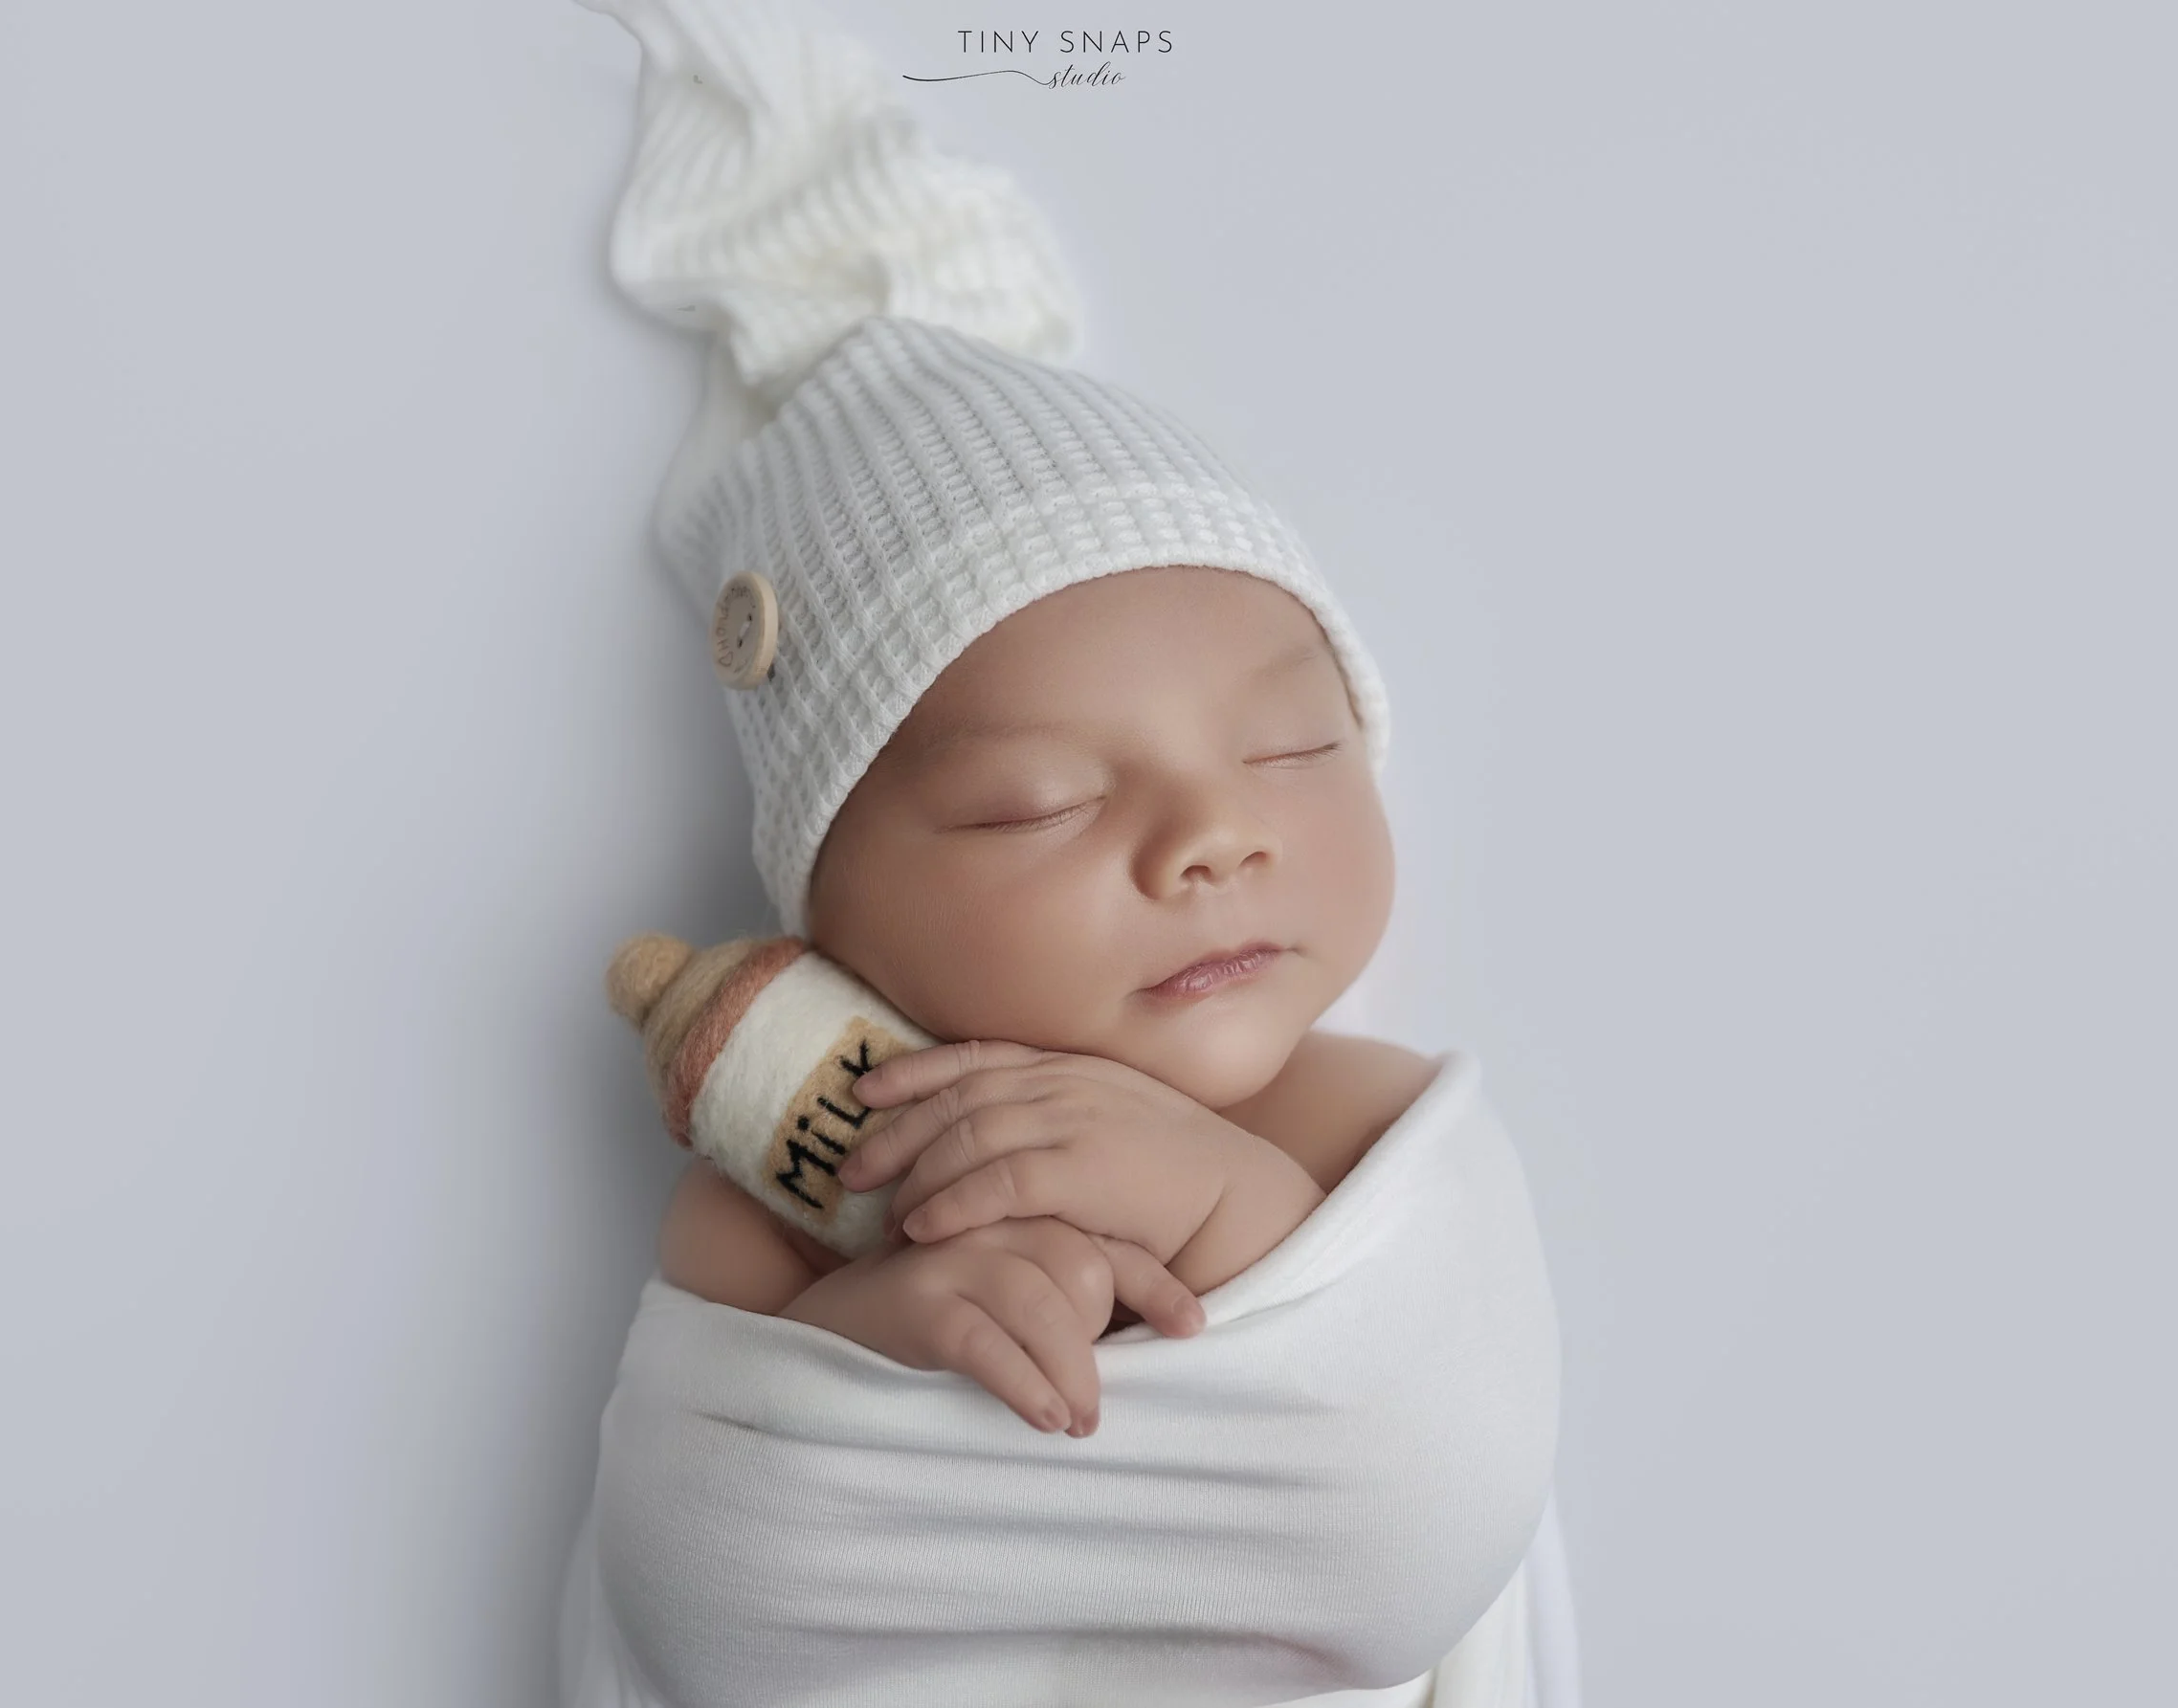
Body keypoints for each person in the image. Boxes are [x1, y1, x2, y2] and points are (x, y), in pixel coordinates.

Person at [561, 3, 1577, 1703]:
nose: (1213, 838)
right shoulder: (788, 1217)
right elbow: (703, 1597)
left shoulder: (1362, 1129)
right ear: (826, 905)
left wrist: (1216, 1195)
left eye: (1293, 748)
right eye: (1041, 801)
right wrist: (877, 1351)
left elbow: (1426, 1514)